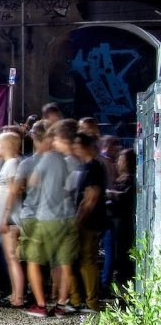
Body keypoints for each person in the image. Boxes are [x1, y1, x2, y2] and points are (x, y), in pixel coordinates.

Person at [22, 120, 78, 317]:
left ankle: (41, 305)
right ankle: (61, 305)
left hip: (48, 217)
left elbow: (33, 181)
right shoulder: (75, 160)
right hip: (70, 216)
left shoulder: (49, 158)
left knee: (33, 260)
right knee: (65, 263)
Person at [69, 132, 107, 313]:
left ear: (85, 146)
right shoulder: (85, 167)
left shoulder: (94, 167)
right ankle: (82, 300)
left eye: (77, 145)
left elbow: (91, 198)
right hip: (85, 220)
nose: (74, 148)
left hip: (89, 222)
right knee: (82, 260)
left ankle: (91, 302)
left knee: (87, 260)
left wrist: (78, 221)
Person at [0, 131, 27, 308]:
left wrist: (5, 216)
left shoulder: (12, 163)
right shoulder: (9, 164)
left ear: (7, 145)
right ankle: (15, 294)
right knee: (10, 258)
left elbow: (13, 191)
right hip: (8, 218)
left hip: (11, 218)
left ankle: (18, 297)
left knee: (12, 258)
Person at [105, 148, 136, 296]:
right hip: (114, 221)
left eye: (121, 159)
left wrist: (110, 194)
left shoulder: (130, 179)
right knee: (114, 255)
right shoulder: (119, 178)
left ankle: (120, 287)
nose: (118, 162)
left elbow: (125, 196)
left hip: (121, 223)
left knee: (119, 255)